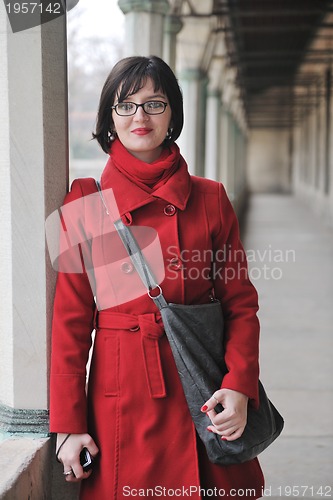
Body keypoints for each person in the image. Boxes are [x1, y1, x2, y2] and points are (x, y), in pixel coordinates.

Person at [50, 55, 265, 499]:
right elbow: (69, 324)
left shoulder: (211, 198)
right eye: (125, 105)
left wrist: (240, 385)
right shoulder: (85, 200)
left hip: (203, 388)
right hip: (121, 397)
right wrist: (69, 425)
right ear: (110, 116)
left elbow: (240, 304)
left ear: (174, 113)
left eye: (155, 103)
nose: (140, 117)